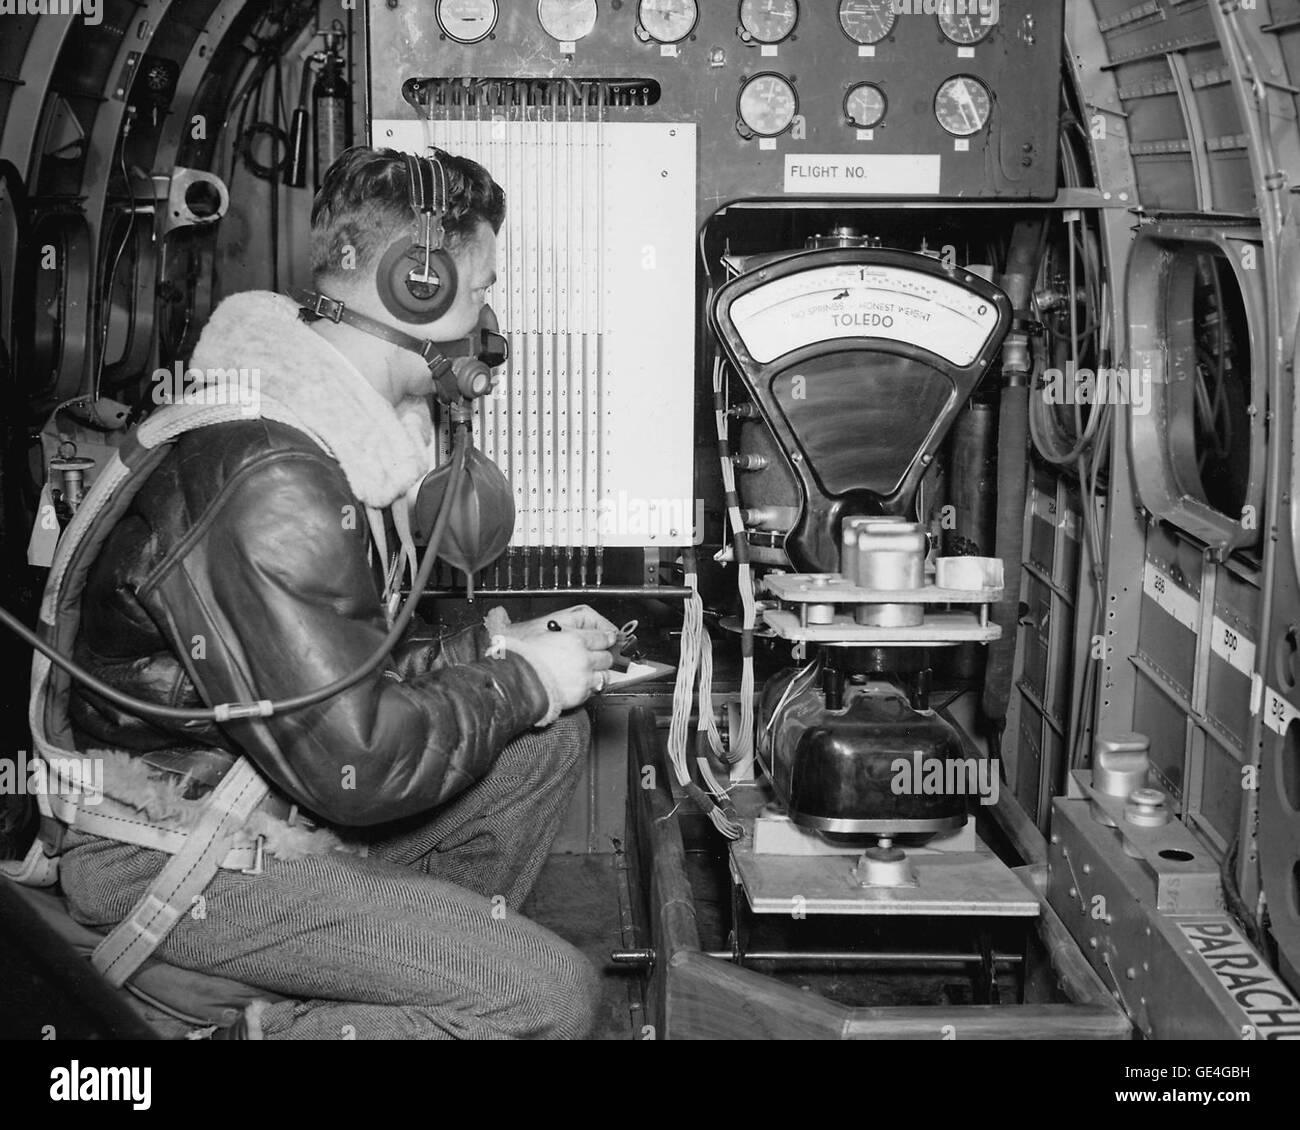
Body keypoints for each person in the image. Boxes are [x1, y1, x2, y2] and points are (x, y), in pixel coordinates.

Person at [55, 146, 614, 1039]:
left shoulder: (317, 431)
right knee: (550, 996)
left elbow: (339, 662)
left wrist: (503, 653)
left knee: (544, 741)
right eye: (479, 290)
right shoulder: (272, 475)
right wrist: (525, 680)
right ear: (416, 285)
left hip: (262, 793)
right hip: (176, 845)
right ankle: (288, 1022)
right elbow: (360, 765)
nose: (488, 322)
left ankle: (405, 980)